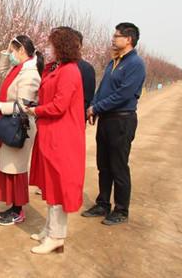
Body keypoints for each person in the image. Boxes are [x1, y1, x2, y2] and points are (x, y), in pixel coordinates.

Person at [25, 26, 86, 254]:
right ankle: (50, 228)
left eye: (52, 43)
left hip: (63, 136)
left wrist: (36, 111)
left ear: (62, 45)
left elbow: (60, 105)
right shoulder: (55, 68)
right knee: (50, 184)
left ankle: (56, 236)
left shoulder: (70, 71)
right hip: (50, 132)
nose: (49, 48)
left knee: (59, 185)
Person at [81, 22, 146, 225]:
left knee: (118, 166)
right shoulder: (114, 62)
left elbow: (123, 94)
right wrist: (94, 106)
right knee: (104, 165)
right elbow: (103, 89)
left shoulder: (135, 64)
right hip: (107, 119)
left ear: (128, 40)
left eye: (117, 36)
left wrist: (97, 108)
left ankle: (121, 209)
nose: (113, 38)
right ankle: (103, 204)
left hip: (122, 120)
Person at [0, 35, 43, 226]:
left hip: (20, 127)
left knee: (16, 170)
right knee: (7, 168)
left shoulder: (30, 74)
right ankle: (13, 207)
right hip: (8, 123)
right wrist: (7, 50)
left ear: (21, 51)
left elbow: (23, 106)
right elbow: (2, 70)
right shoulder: (17, 69)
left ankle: (18, 210)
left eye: (13, 51)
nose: (10, 54)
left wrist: (0, 107)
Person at [73, 30, 96, 119]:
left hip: (75, 118)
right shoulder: (55, 66)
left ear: (79, 46)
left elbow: (87, 98)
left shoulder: (86, 69)